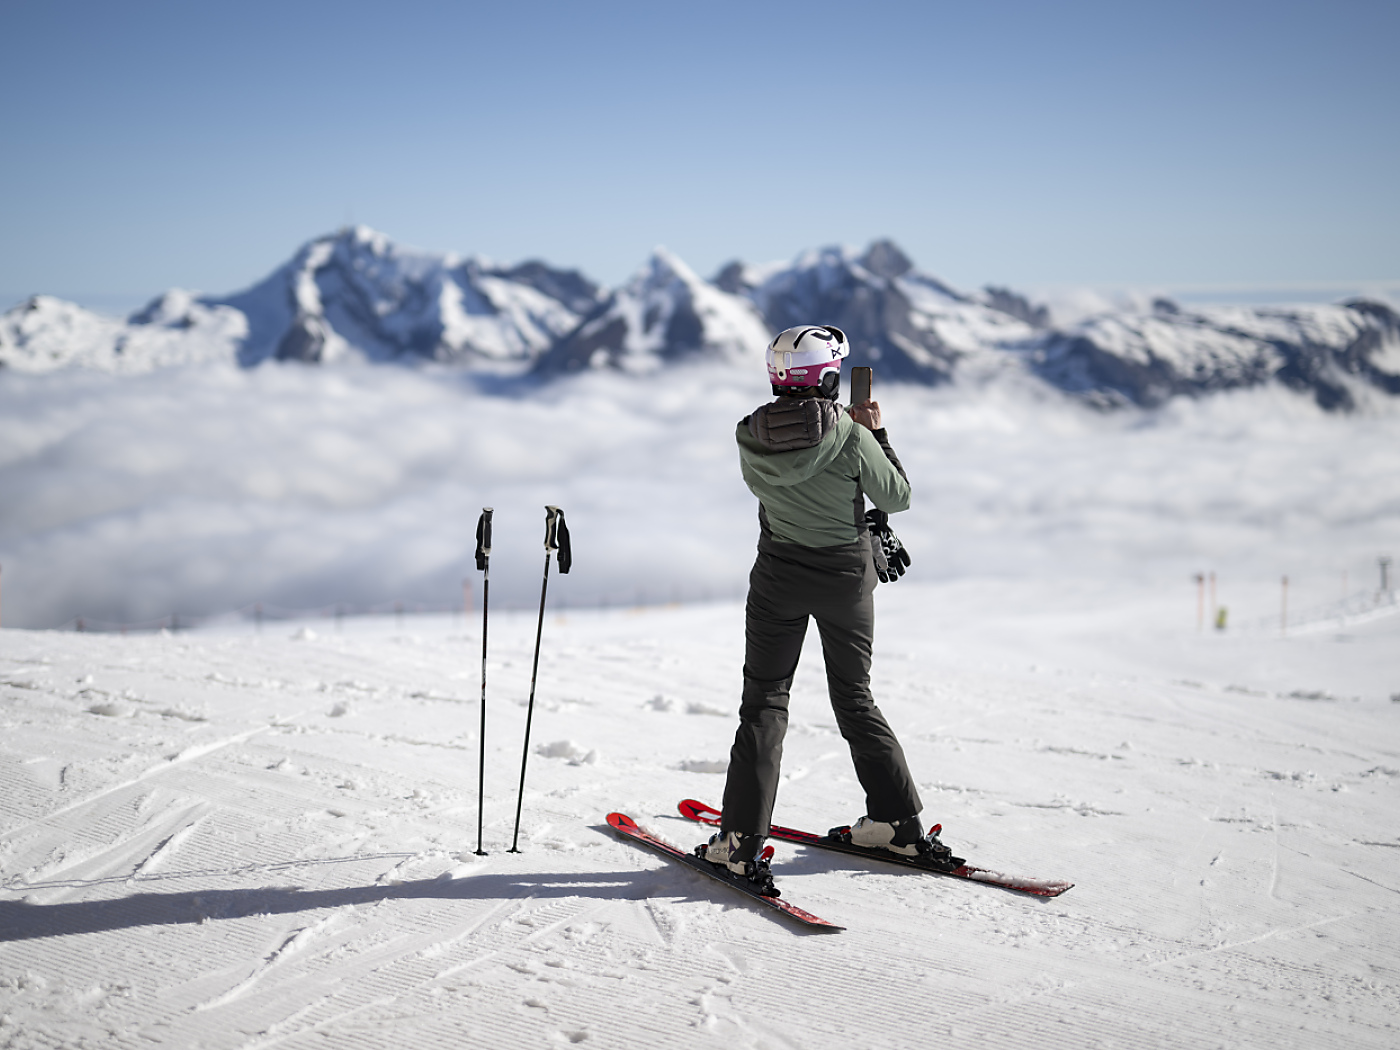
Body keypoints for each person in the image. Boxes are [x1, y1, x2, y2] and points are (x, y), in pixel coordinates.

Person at [700, 324, 958, 891]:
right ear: (829, 376)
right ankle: (897, 824)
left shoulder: (747, 434)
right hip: (845, 579)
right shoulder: (850, 434)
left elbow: (771, 493)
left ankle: (739, 844)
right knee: (855, 697)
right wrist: (877, 435)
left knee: (764, 702)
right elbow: (898, 497)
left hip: (778, 576)